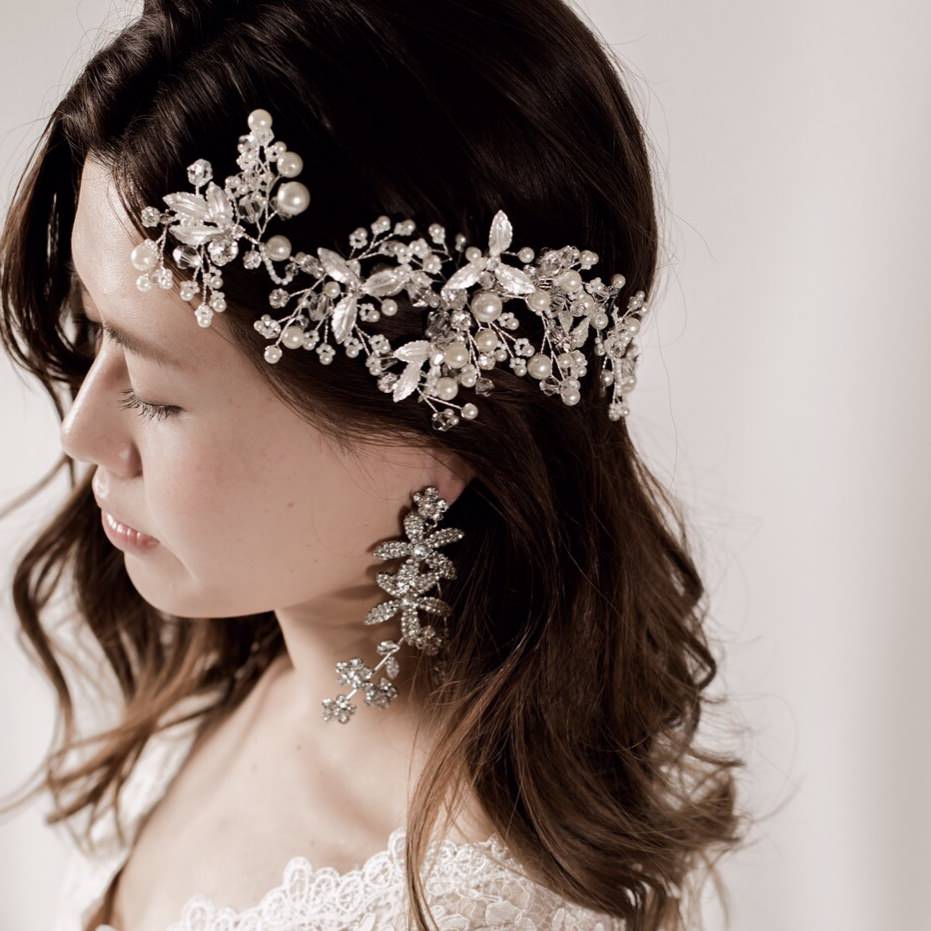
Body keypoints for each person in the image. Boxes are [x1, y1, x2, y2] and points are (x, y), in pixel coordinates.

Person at [0, 1, 749, 929]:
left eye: (155, 390)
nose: (79, 432)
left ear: (440, 433)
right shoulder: (221, 669)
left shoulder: (469, 908)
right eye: (92, 327)